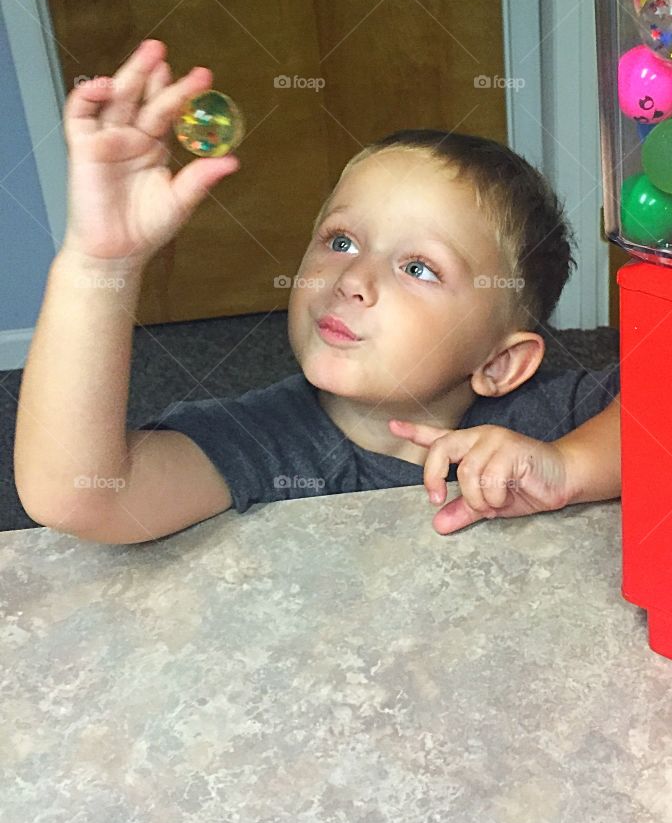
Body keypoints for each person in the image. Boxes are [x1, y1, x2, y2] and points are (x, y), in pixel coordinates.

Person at [14, 40, 621, 545]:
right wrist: (101, 265)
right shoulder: (264, 442)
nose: (352, 280)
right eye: (340, 241)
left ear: (500, 363)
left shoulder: (541, 418)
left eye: (417, 268)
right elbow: (78, 495)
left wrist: (570, 466)